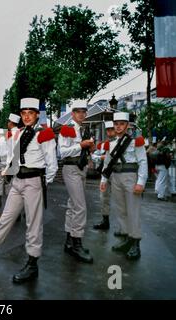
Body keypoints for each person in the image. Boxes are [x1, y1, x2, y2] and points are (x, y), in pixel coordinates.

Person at [0, 98, 58, 284]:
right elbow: (14, 157)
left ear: (36, 115)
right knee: (6, 218)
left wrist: (43, 184)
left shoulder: (44, 133)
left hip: (34, 181)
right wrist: (9, 172)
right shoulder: (18, 133)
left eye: (30, 113)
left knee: (33, 224)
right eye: (23, 114)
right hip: (18, 181)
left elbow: (52, 165)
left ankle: (32, 264)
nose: (26, 117)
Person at [100, 112, 148, 260]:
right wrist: (103, 179)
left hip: (130, 177)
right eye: (116, 124)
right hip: (115, 177)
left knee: (133, 210)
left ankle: (135, 242)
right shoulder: (111, 144)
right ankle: (127, 238)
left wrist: (141, 182)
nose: (118, 127)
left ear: (127, 125)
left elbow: (143, 162)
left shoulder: (136, 142)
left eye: (122, 124)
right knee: (120, 209)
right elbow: (107, 163)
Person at [58, 105, 95, 263]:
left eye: (83, 112)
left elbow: (88, 150)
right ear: (72, 114)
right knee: (80, 206)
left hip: (82, 168)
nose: (81, 114)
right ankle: (77, 243)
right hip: (71, 168)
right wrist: (81, 145)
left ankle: (69, 240)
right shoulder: (67, 129)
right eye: (78, 112)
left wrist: (91, 150)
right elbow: (63, 152)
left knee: (73, 205)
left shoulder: (85, 130)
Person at [91, 121, 116, 231]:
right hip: (105, 174)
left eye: (112, 129)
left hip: (118, 173)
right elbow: (96, 156)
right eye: (108, 130)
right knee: (103, 198)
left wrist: (103, 157)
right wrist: (100, 157)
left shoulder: (123, 142)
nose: (110, 132)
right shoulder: (104, 144)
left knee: (121, 200)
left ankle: (124, 228)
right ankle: (105, 221)